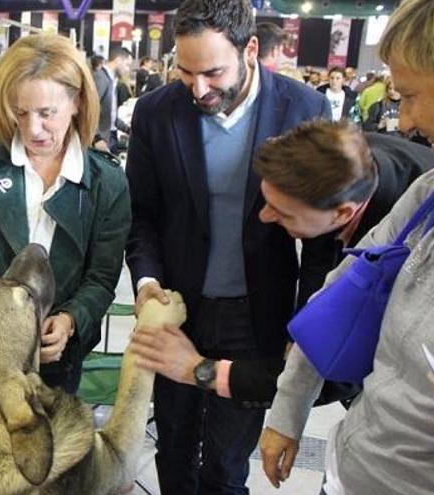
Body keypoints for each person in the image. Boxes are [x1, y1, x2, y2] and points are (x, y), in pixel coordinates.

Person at [124, 0, 330, 492]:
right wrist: (148, 280)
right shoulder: (157, 112)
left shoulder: (304, 109)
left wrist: (307, 326)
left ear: (251, 49)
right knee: (172, 444)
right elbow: (142, 216)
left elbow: (323, 242)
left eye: (213, 72)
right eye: (185, 71)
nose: (198, 89)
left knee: (227, 459)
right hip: (178, 307)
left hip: (255, 314)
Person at [260, 1, 434, 493]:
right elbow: (337, 298)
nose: (405, 119)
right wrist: (287, 410)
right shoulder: (431, 193)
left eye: (410, 95)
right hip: (351, 468)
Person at [131, 119, 434, 406]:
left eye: (283, 213)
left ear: (342, 214)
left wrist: (198, 369)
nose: (264, 217)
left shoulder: (410, 240)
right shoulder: (334, 168)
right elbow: (319, 269)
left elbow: (342, 371)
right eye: (267, 202)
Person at [0, 33, 130, 394]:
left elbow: (101, 278)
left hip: (52, 359)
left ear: (77, 101)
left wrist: (70, 320)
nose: (31, 129)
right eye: (19, 112)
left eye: (46, 113)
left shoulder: (108, 183)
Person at [92, 47, 132, 152]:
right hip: (101, 139)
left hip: (110, 136)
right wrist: (96, 138)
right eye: (127, 65)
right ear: (118, 60)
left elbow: (110, 115)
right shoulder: (101, 78)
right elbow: (88, 108)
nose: (127, 69)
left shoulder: (111, 80)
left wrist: (127, 129)